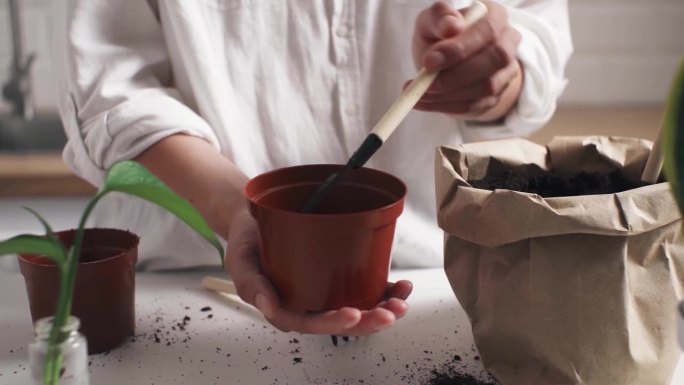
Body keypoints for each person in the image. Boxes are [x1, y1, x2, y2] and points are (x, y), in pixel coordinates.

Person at [56, 0, 572, 337]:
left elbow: (533, 35)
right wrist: (240, 210)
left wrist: (492, 74)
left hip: (443, 281)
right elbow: (111, 83)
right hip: (185, 283)